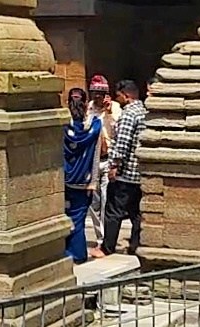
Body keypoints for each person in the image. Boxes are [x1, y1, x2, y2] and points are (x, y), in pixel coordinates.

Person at [90, 79, 146, 258]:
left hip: (126, 172)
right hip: (138, 171)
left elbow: (122, 142)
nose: (117, 98)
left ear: (126, 95)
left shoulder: (129, 114)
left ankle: (107, 247)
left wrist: (114, 165)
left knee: (113, 210)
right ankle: (135, 244)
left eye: (119, 95)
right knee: (135, 211)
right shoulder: (143, 110)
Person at [63, 87, 102, 263]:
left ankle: (68, 252)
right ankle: (77, 254)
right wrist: (93, 182)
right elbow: (96, 155)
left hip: (64, 179)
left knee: (64, 216)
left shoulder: (62, 126)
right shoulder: (94, 126)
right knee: (78, 218)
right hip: (84, 181)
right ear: (86, 104)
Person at [87, 75, 121, 242]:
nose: (97, 97)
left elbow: (118, 130)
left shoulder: (115, 107)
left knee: (107, 199)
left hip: (108, 159)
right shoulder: (89, 108)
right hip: (92, 160)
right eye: (94, 93)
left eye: (100, 94)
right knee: (93, 201)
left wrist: (108, 113)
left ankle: (108, 237)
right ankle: (100, 236)